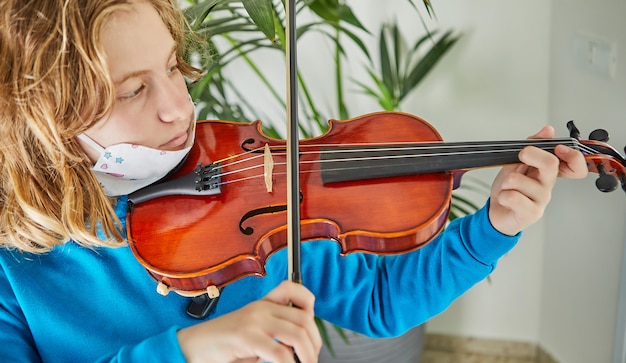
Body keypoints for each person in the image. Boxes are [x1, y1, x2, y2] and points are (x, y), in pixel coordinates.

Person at [0, 0, 588, 362]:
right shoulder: (13, 269)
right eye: (134, 90)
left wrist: (494, 226)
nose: (179, 107)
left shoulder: (249, 194)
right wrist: (188, 352)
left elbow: (380, 301)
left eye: (174, 66)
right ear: (37, 121)